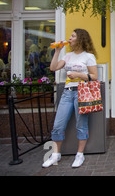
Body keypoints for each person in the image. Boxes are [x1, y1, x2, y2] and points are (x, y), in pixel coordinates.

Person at [42, 29, 98, 168]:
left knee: (81, 125)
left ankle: (80, 155)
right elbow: (53, 68)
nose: (69, 38)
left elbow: (94, 76)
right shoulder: (67, 56)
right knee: (58, 125)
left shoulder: (89, 56)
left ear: (80, 39)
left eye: (73, 36)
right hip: (67, 93)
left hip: (82, 92)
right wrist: (57, 51)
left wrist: (78, 74)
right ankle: (55, 154)